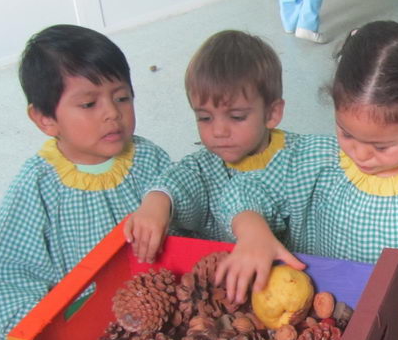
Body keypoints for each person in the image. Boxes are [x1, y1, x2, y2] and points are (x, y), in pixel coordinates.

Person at [214, 21, 398, 340]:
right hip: (312, 329)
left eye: (381, 147)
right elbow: (244, 190)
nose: (359, 154)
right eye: (346, 134)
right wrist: (252, 230)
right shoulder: (315, 160)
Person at [0, 25, 171, 340]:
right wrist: (42, 333)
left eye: (122, 97)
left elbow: (186, 211)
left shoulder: (149, 157)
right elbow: (12, 273)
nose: (112, 113)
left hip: (158, 310)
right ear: (45, 119)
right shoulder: (36, 185)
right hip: (83, 327)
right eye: (88, 104)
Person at [125, 31, 297, 263]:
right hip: (219, 278)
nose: (218, 131)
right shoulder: (204, 166)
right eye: (205, 118)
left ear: (272, 113)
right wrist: (156, 202)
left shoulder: (298, 158)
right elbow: (178, 179)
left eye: (236, 117)